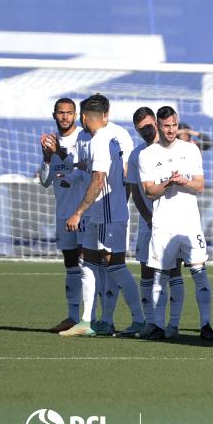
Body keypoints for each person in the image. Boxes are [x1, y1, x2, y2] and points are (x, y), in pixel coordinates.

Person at [60, 94, 144, 338]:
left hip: (108, 212)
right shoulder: (107, 137)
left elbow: (99, 180)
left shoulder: (101, 140)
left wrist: (77, 212)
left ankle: (139, 320)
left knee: (115, 265)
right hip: (100, 212)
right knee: (87, 260)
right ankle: (88, 321)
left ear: (84, 118)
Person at [138, 106, 213, 341]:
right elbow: (149, 191)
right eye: (166, 126)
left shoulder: (190, 149)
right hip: (163, 224)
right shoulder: (147, 154)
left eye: (174, 126)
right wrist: (169, 183)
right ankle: (159, 326)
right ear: (158, 126)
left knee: (199, 272)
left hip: (190, 224)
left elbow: (200, 186)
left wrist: (184, 182)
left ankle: (206, 325)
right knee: (161, 275)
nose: (171, 131)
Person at [40, 98, 88, 333]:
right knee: (70, 264)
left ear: (75, 115)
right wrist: (47, 158)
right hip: (63, 213)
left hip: (84, 213)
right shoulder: (50, 142)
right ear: (54, 115)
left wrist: (59, 152)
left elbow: (83, 169)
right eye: (61, 112)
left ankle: (92, 318)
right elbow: (45, 181)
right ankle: (72, 317)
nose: (65, 117)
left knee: (88, 264)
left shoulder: (83, 138)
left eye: (69, 112)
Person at [125, 107, 163, 338]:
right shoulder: (136, 155)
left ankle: (171, 324)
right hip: (148, 222)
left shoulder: (172, 148)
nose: (147, 132)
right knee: (146, 269)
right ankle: (148, 322)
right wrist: (148, 218)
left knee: (173, 271)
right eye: (141, 129)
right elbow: (136, 192)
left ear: (156, 122)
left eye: (149, 126)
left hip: (173, 222)